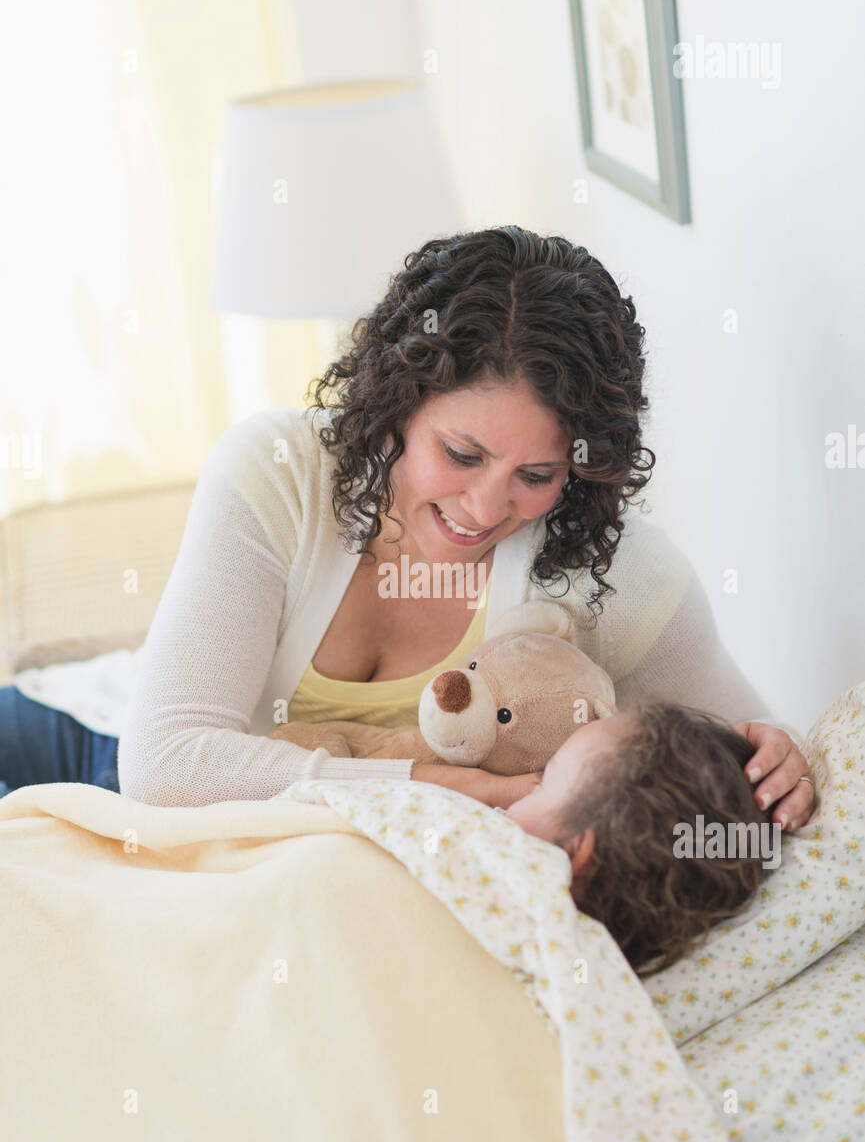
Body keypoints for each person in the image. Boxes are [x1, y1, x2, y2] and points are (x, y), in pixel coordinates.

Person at [1, 227, 815, 828]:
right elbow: (166, 766)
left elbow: (760, 754)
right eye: (460, 454)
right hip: (91, 741)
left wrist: (779, 753)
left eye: (536, 476)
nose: (486, 508)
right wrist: (421, 786)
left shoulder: (618, 576)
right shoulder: (278, 472)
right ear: (393, 404)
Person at [504, 703, 793, 977]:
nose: (523, 791)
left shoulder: (484, 860)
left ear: (575, 849)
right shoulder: (582, 978)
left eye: (542, 783)